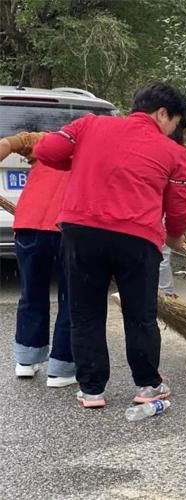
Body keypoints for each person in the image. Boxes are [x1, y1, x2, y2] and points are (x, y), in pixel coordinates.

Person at [33, 83, 186, 409]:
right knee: (140, 315)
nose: (173, 131)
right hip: (137, 239)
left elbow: (46, 151)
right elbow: (179, 208)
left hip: (81, 233)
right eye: (175, 123)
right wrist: (176, 236)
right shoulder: (173, 153)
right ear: (162, 113)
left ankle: (91, 390)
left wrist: (81, 160)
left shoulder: (90, 125)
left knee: (86, 312)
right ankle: (148, 385)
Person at [1, 131, 75, 387]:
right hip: (68, 227)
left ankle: (26, 360)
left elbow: (9, 143)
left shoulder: (48, 142)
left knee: (32, 292)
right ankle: (62, 369)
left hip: (29, 224)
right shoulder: (98, 149)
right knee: (71, 297)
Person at [159, 114, 186, 298]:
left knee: (158, 253)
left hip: (149, 206)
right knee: (163, 253)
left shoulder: (156, 146)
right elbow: (180, 189)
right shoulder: (185, 154)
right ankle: (166, 293)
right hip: (165, 207)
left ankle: (162, 291)